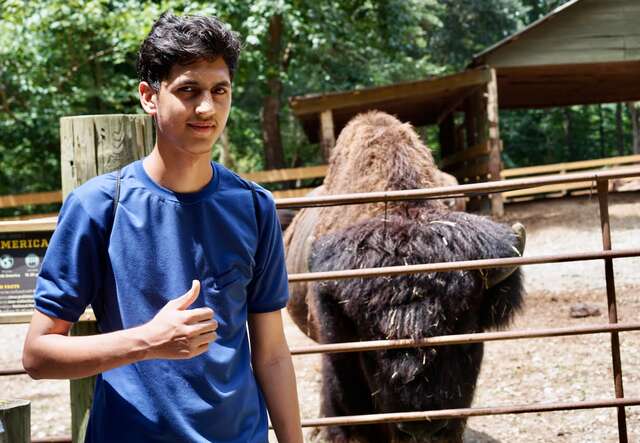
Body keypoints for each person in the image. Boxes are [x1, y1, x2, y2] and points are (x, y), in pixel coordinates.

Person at [22, 12, 303, 443]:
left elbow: (272, 355)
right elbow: (38, 355)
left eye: (219, 91)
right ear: (149, 97)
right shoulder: (98, 207)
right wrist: (150, 341)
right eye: (188, 90)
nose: (207, 107)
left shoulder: (254, 206)